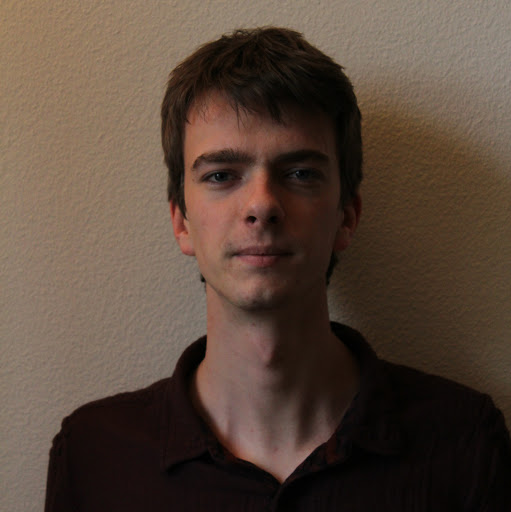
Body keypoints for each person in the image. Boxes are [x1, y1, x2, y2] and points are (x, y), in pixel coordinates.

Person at [45, 27, 511, 511]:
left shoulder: (463, 444)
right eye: (221, 175)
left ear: (347, 217)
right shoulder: (94, 456)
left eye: (300, 173)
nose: (262, 205)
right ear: (181, 221)